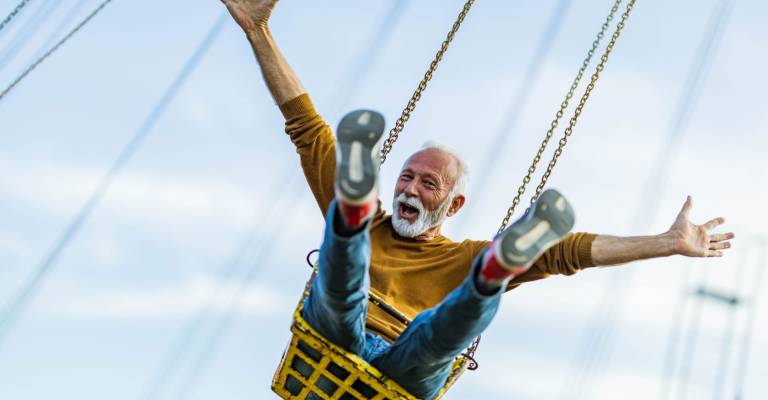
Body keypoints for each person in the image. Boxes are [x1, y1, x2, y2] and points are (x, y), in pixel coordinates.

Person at [220, 1, 736, 398]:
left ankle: (494, 273)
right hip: (334, 338)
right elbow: (307, 127)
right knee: (342, 288)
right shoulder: (385, 224)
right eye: (406, 177)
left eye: (428, 185)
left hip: (406, 366)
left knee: (436, 338)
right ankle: (353, 211)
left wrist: (667, 243)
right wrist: (258, 32)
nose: (409, 190)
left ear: (454, 206)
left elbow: (568, 251)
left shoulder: (458, 256)